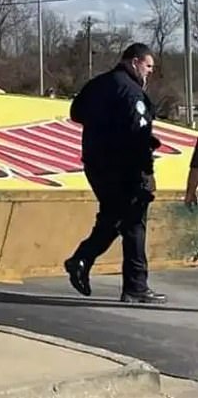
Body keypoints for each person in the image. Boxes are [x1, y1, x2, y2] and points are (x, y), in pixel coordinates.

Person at [64, 42, 167, 304]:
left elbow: (76, 113)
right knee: (133, 223)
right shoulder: (132, 92)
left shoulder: (97, 84)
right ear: (134, 61)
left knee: (113, 217)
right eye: (148, 66)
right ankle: (135, 287)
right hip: (125, 168)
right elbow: (138, 134)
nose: (150, 72)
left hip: (96, 164)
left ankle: (81, 260)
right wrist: (146, 173)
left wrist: (105, 127)